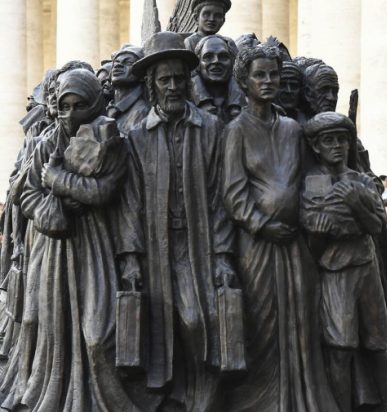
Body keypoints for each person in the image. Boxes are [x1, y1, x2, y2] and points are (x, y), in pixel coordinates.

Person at [116, 32, 235, 410]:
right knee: (159, 324)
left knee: (198, 321)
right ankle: (172, 397)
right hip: (154, 245)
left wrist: (222, 254)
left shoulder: (211, 128)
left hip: (198, 244)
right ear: (152, 85)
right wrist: (131, 257)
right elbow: (130, 202)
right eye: (164, 80)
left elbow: (220, 196)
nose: (172, 86)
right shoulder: (136, 135)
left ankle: (203, 397)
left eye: (178, 79)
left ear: (188, 82)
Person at [17, 69, 145, 410]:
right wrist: (53, 209)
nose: (71, 114)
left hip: (94, 246)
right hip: (54, 248)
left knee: (97, 334)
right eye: (64, 106)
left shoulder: (112, 140)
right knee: (51, 329)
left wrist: (59, 181)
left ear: (94, 105)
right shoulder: (47, 143)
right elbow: (28, 194)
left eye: (79, 106)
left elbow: (105, 191)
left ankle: (108, 403)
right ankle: (55, 398)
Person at [222, 39, 339, 411]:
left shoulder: (291, 128)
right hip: (257, 246)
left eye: (273, 74)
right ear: (245, 80)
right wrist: (260, 224)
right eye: (260, 75)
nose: (268, 81)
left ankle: (299, 400)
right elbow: (233, 191)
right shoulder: (236, 130)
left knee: (301, 324)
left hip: (293, 244)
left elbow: (308, 179)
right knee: (262, 325)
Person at [300, 111, 387, 412]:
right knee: (340, 345)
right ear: (316, 146)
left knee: (378, 342)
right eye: (328, 141)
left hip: (365, 268)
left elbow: (374, 225)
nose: (336, 146)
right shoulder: (313, 181)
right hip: (334, 271)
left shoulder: (359, 180)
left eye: (341, 140)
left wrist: (354, 202)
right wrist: (343, 219)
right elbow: (315, 225)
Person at [191, 34, 245, 123]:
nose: (216, 61)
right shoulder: (185, 103)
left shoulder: (251, 101)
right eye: (208, 57)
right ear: (198, 64)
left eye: (223, 56)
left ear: (233, 63)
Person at [107, 44, 149, 134]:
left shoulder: (141, 111)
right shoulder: (108, 108)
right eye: (116, 62)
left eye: (128, 63)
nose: (118, 66)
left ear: (142, 75)